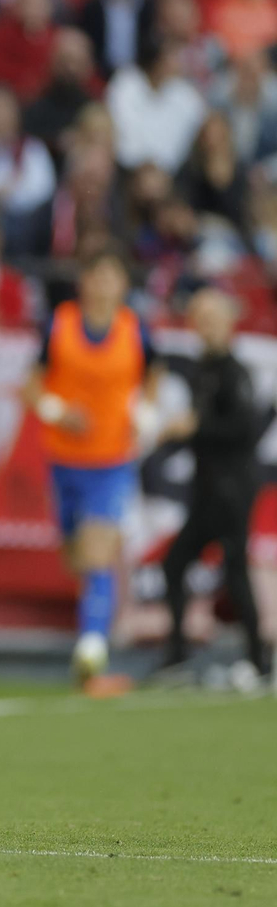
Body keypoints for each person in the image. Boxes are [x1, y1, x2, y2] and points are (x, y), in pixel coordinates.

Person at [23, 245, 162, 687]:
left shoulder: (135, 329)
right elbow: (31, 383)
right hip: (64, 458)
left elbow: (153, 375)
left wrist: (146, 411)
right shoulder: (60, 323)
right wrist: (56, 410)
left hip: (111, 459)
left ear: (124, 284)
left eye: (112, 277)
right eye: (96, 276)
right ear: (84, 282)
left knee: (99, 549)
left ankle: (92, 646)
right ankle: (94, 629)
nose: (103, 285)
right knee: (76, 555)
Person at [158, 289, 271, 681]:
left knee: (235, 570)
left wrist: (194, 428)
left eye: (211, 317)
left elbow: (243, 430)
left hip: (232, 489)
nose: (203, 325)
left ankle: (258, 661)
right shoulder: (203, 369)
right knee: (175, 563)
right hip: (206, 489)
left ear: (228, 322)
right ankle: (177, 654)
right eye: (198, 317)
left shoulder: (234, 372)